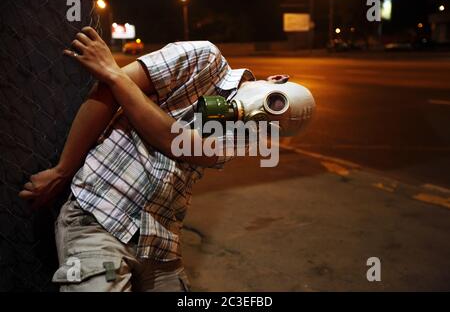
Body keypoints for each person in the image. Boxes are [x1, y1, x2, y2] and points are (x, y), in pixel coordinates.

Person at [19, 26, 314, 292]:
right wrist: (63, 170)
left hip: (160, 245)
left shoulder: (246, 138)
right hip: (102, 215)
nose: (258, 120)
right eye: (273, 105)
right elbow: (107, 92)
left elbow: (176, 142)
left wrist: (113, 72)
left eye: (270, 128)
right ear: (277, 79)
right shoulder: (204, 60)